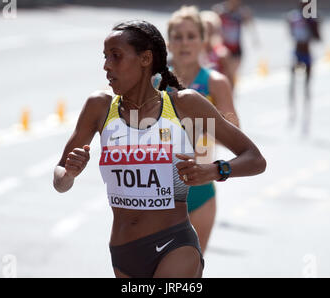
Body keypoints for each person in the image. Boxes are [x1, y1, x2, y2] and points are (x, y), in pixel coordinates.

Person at [53, 20, 266, 278]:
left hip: (175, 243)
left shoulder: (184, 104)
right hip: (123, 251)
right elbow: (60, 181)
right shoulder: (99, 106)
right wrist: (70, 174)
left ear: (145, 59)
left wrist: (214, 170)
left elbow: (255, 158)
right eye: (105, 57)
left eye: (116, 56)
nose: (106, 66)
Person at [164, 5, 240, 253]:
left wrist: (203, 125)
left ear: (202, 41)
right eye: (178, 36)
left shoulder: (215, 82)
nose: (184, 43)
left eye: (191, 36)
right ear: (168, 42)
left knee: (192, 269)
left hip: (200, 189)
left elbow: (234, 130)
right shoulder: (154, 82)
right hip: (158, 190)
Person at [287, 1, 321, 136]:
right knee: (293, 84)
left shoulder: (312, 20)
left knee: (306, 86)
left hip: (306, 54)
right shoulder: (293, 17)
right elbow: (291, 33)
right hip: (297, 53)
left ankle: (306, 114)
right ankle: (293, 111)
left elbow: (318, 37)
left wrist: (313, 26)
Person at [213, 0, 258, 89]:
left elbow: (249, 24)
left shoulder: (241, 13)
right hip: (224, 48)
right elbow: (213, 26)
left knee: (232, 74)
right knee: (223, 73)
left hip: (236, 49)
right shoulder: (221, 11)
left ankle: (231, 95)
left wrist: (254, 38)